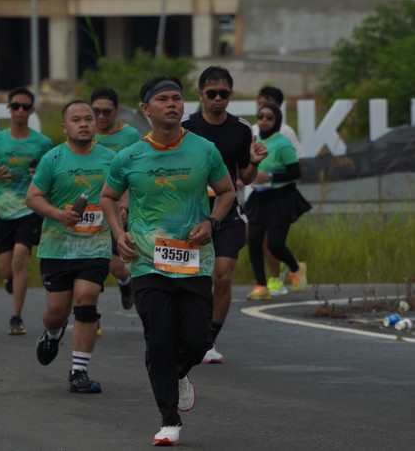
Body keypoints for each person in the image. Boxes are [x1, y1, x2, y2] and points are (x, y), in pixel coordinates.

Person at [100, 75, 236, 446]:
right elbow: (108, 197)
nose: (172, 104)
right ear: (146, 109)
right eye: (163, 99)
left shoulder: (204, 149)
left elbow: (226, 192)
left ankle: (176, 373)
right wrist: (119, 234)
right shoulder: (129, 156)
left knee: (197, 341)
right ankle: (169, 419)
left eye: (177, 98)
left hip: (194, 260)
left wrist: (213, 222)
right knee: (159, 338)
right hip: (148, 261)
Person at [26, 100, 114, 394]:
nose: (84, 124)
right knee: (57, 311)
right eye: (76, 120)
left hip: (95, 245)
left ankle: (79, 372)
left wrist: (124, 210)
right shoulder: (52, 159)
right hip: (57, 247)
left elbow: (123, 191)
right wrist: (60, 215)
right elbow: (33, 197)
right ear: (65, 127)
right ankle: (53, 333)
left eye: (88, 118)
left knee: (86, 299)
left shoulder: (111, 159)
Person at [181, 65, 267, 364]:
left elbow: (245, 177)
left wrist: (254, 162)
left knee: (223, 274)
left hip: (227, 211)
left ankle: (208, 340)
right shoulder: (185, 126)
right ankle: (187, 331)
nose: (218, 99)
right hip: (190, 212)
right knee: (192, 279)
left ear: (230, 95)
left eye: (224, 94)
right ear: (200, 95)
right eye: (212, 93)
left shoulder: (241, 129)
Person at [0, 87, 53, 334]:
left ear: (32, 111)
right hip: (1, 208)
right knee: (6, 268)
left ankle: (16, 317)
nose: (20, 110)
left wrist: (39, 176)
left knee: (20, 257)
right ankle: (9, 279)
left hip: (29, 208)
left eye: (25, 107)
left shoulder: (43, 143)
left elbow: (53, 174)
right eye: (16, 106)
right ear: (9, 109)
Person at [245, 102, 311, 300]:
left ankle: (296, 267)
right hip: (259, 197)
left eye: (269, 117)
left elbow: (296, 172)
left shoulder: (282, 143)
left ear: (277, 120)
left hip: (281, 199)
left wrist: (270, 177)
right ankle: (261, 286)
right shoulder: (253, 140)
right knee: (253, 240)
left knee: (275, 245)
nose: (264, 120)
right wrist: (242, 178)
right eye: (260, 116)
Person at [90, 87, 141, 310]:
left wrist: (126, 206)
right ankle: (88, 313)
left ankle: (126, 281)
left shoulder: (131, 136)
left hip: (119, 205)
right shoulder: (84, 132)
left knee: (115, 265)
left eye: (106, 112)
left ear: (117, 110)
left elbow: (135, 173)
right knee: (91, 264)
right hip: (89, 207)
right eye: (96, 111)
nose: (100, 116)